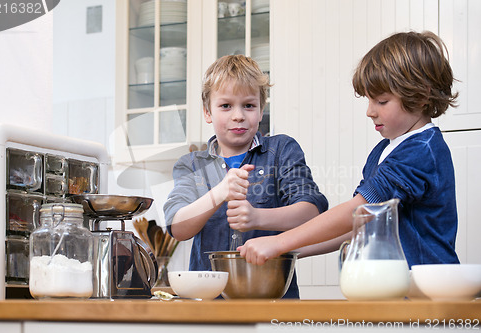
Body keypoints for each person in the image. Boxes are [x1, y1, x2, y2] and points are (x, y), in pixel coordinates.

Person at [238, 31, 460, 268]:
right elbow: (361, 225)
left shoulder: (421, 151)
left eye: (382, 101)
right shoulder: (385, 150)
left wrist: (279, 242)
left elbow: (358, 211)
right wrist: (290, 250)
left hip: (423, 292)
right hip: (393, 289)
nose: (370, 111)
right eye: (369, 100)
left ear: (422, 95)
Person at [163, 55, 329, 298]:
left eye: (249, 105)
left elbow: (312, 211)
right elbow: (178, 227)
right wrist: (219, 193)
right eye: (226, 106)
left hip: (273, 300)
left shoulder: (282, 150)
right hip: (208, 306)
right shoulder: (191, 165)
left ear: (262, 111)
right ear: (207, 111)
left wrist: (257, 217)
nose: (238, 115)